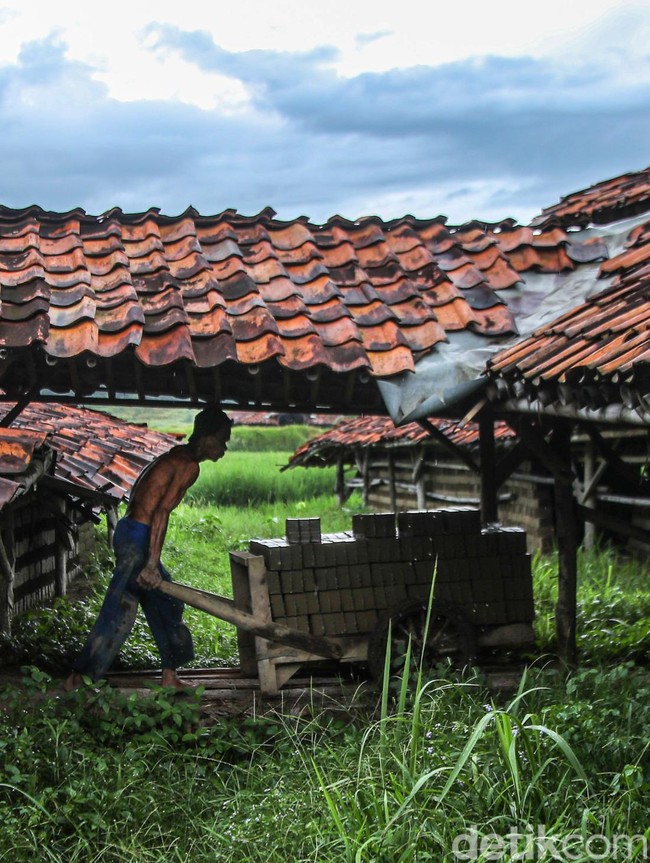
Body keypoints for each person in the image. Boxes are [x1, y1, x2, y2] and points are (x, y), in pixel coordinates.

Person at [64, 406, 232, 692]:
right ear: (205, 437)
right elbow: (161, 513)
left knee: (167, 602)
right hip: (137, 537)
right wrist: (152, 563)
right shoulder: (189, 465)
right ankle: (80, 677)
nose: (224, 449)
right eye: (222, 440)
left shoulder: (177, 455)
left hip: (130, 532)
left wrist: (152, 561)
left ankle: (169, 675)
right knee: (119, 608)